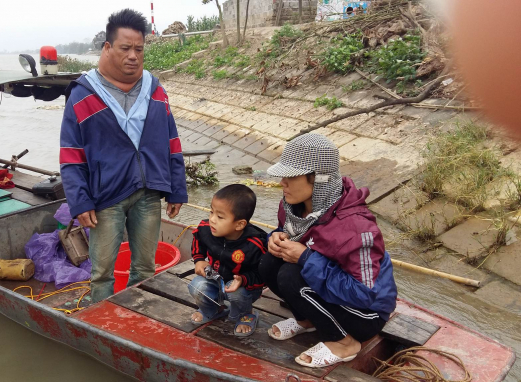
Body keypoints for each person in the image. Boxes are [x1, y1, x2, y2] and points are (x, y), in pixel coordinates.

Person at [59, 9, 187, 302]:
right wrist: (80, 201)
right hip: (106, 197)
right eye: (125, 48)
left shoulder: (155, 90)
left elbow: (172, 142)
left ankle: (139, 314)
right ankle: (101, 321)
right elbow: (71, 156)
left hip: (148, 193)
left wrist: (177, 189)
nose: (133, 55)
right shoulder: (83, 94)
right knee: (102, 271)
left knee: (144, 268)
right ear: (107, 48)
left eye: (139, 49)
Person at [258, 133, 397, 368]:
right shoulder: (292, 205)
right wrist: (276, 237)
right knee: (269, 263)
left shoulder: (357, 227)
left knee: (290, 275)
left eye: (291, 177)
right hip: (330, 294)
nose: (283, 183)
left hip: (366, 313)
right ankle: (306, 321)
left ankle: (344, 343)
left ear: (318, 179)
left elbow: (364, 294)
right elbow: (285, 230)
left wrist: (305, 257)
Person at [187, 184, 267, 336]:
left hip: (243, 288)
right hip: (216, 280)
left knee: (236, 293)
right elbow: (198, 240)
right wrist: (198, 260)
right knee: (196, 286)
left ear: (240, 224)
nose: (212, 220)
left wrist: (243, 279)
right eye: (211, 212)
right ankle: (212, 309)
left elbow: (262, 274)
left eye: (220, 217)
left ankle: (245, 314)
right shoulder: (205, 229)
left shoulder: (254, 245)